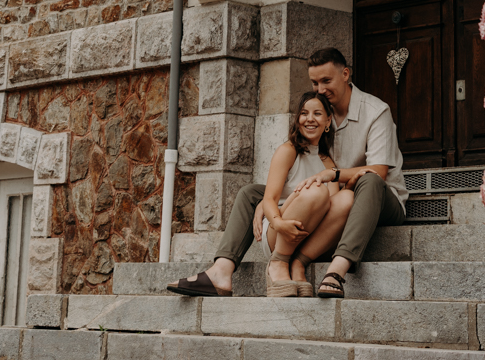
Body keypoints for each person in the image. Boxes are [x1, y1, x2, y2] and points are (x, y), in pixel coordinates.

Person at [166, 47, 407, 299]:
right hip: (331, 197)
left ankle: (337, 269)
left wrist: (332, 175)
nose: (320, 89)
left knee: (367, 180)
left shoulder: (375, 111)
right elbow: (298, 167)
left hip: (379, 200)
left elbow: (378, 171)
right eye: (315, 83)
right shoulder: (320, 114)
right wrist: (268, 200)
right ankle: (221, 271)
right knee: (252, 193)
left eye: (327, 80)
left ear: (345, 74)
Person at [257, 91, 353, 296]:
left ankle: (299, 263)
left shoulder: (327, 162)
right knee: (317, 189)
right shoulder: (288, 151)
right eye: (304, 113)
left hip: (308, 237)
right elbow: (269, 199)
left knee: (346, 198)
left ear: (328, 121)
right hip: (279, 232)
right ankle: (279, 262)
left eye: (317, 114)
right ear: (297, 119)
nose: (310, 119)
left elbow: (333, 209)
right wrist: (278, 223)